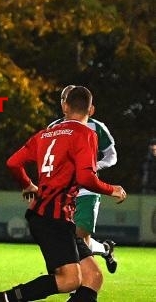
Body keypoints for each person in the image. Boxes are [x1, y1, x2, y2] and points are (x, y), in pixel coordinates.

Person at [0, 86, 127, 302]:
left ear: (65, 106)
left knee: (93, 277)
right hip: (53, 218)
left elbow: (13, 162)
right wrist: (112, 189)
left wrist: (28, 184)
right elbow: (86, 178)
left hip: (55, 217)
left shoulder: (46, 133)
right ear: (91, 110)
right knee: (69, 280)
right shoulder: (86, 133)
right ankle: (5, 298)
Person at [49, 85, 118, 273]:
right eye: (64, 98)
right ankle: (105, 249)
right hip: (62, 192)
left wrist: (94, 167)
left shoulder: (96, 127)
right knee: (70, 240)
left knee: (80, 238)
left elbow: (112, 156)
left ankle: (77, 285)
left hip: (87, 190)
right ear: (63, 104)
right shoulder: (54, 128)